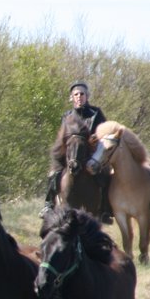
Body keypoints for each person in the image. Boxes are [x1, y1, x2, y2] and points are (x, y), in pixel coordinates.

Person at [41, 80, 109, 219]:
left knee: (106, 174)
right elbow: (62, 137)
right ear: (71, 97)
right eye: (76, 94)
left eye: (82, 94)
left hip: (91, 153)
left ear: (87, 96)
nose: (79, 97)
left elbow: (104, 132)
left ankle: (105, 209)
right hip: (70, 153)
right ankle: (49, 205)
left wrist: (94, 140)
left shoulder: (96, 113)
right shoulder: (67, 116)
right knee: (54, 173)